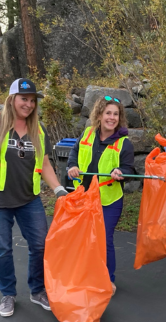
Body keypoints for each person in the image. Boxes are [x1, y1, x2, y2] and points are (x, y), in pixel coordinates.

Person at [0, 78, 68, 317]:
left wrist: (58, 189)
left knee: (39, 244)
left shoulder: (39, 129)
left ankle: (37, 291)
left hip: (28, 199)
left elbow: (44, 163)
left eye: (32, 100)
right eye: (24, 99)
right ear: (12, 99)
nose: (28, 104)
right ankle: (8, 294)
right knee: (2, 249)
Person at [67, 96, 135, 296]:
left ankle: (108, 279)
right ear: (99, 114)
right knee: (84, 238)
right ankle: (86, 274)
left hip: (108, 200)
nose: (112, 118)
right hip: (84, 197)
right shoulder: (87, 134)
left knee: (104, 239)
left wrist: (120, 173)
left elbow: (128, 169)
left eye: (115, 114)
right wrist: (72, 166)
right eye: (108, 113)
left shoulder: (124, 143)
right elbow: (74, 153)